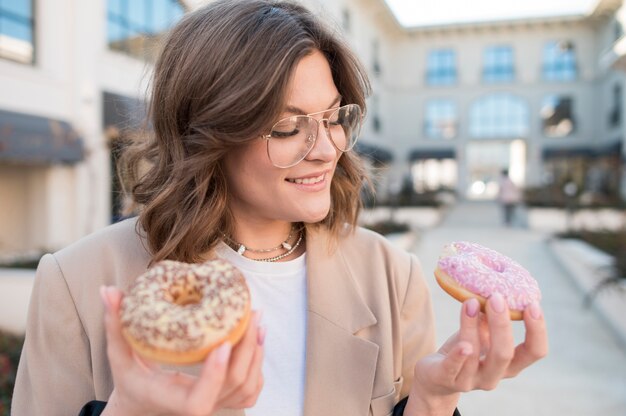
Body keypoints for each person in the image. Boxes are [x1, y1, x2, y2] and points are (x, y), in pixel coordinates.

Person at [12, 1, 548, 415]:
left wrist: (431, 400)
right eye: (287, 126)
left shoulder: (392, 276)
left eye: (335, 116)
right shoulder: (75, 282)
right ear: (207, 134)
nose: (326, 148)